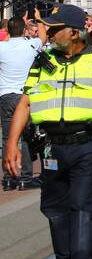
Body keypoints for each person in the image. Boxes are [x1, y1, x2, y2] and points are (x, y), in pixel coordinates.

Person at [2, 4, 92, 259]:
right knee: (56, 213)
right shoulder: (42, 61)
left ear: (74, 31)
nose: (49, 33)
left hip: (87, 147)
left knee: (81, 210)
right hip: (51, 148)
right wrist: (11, 144)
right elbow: (25, 103)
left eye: (55, 29)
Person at [0, 17, 43, 189]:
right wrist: (38, 17)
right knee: (26, 137)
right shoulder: (31, 45)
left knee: (7, 138)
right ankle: (25, 177)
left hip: (5, 95)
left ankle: (9, 178)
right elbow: (43, 36)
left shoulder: (1, 46)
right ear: (24, 30)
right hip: (24, 96)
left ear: (8, 30)